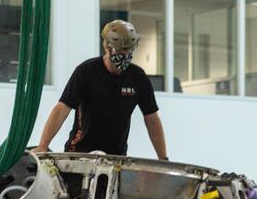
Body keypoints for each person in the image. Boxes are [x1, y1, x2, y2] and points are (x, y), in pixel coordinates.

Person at [34, 21, 167, 159]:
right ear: (107, 47)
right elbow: (62, 109)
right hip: (80, 152)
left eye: (129, 50)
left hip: (116, 157)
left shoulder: (137, 77)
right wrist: (43, 145)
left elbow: (152, 118)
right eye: (121, 51)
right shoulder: (86, 72)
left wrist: (163, 158)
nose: (125, 55)